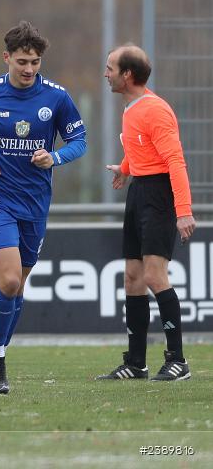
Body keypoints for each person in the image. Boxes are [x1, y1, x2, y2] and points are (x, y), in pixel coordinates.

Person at [0, 21, 87, 394]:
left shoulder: (56, 98)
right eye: (22, 62)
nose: (29, 69)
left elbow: (79, 140)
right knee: (8, 280)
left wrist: (54, 157)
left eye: (35, 62)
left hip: (34, 202)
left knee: (17, 286)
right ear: (6, 57)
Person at [96, 44, 195, 381]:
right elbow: (142, 147)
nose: (105, 74)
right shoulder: (132, 108)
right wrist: (125, 168)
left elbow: (174, 161)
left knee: (154, 276)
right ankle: (136, 363)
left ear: (127, 75)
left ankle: (178, 361)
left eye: (110, 68)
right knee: (133, 277)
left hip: (158, 195)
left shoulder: (156, 110)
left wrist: (183, 211)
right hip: (138, 191)